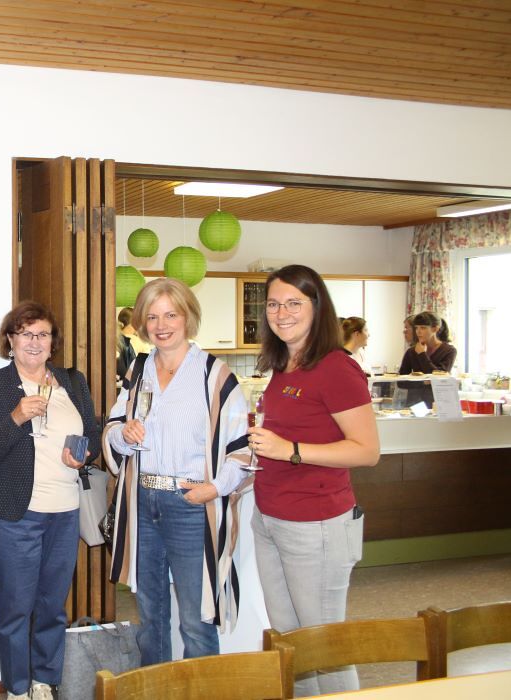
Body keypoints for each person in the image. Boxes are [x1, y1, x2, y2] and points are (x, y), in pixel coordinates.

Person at [101, 278, 252, 667]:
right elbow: (114, 428)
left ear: (188, 317)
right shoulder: (138, 370)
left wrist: (214, 489)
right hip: (142, 503)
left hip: (190, 505)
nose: (161, 325)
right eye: (152, 317)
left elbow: (242, 449)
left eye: (171, 315)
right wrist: (124, 435)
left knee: (195, 620)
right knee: (150, 618)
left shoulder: (215, 375)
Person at [248, 264, 379, 696]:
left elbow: (367, 450)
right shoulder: (285, 364)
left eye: (293, 303)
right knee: (291, 643)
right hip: (271, 518)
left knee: (325, 646)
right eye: (273, 304)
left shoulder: (336, 367)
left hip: (316, 525)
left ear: (317, 306)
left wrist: (292, 449)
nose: (281, 313)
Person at [0, 301, 102, 700]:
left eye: (42, 334)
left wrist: (83, 454)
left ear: (52, 342)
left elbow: (92, 437)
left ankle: (45, 679)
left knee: (52, 606)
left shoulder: (73, 382)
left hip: (65, 512)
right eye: (25, 334)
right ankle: (17, 686)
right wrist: (16, 417)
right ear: (10, 340)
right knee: (15, 608)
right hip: (17, 514)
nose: (34, 342)